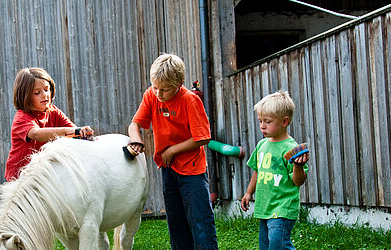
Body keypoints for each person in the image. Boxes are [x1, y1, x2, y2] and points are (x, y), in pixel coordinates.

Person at [127, 53, 218, 249]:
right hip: (169, 169)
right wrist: (136, 140)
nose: (159, 94)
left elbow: (202, 137)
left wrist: (172, 151)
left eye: (165, 90)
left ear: (179, 83)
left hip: (192, 170)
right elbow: (135, 124)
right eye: (155, 87)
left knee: (200, 221)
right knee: (176, 221)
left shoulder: (190, 100)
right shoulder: (151, 95)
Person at [240, 90, 309, 250]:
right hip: (265, 206)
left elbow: (298, 181)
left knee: (278, 244)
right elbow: (258, 171)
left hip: (283, 207)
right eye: (260, 121)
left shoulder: (291, 148)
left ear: (284, 121)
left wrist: (298, 166)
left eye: (268, 121)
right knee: (265, 246)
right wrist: (249, 193)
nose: (262, 126)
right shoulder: (262, 145)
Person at [5, 67, 94, 181]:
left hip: (44, 174)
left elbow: (73, 130)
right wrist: (66, 131)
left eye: (46, 90)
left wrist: (82, 132)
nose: (44, 95)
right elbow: (36, 134)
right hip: (20, 177)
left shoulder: (53, 111)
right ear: (25, 96)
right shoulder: (22, 117)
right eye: (37, 92)